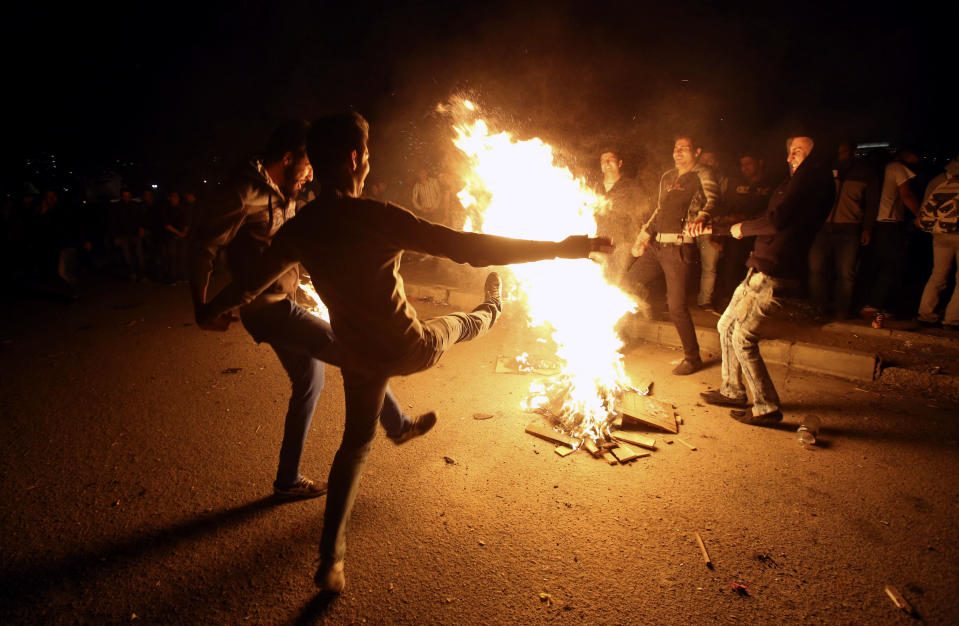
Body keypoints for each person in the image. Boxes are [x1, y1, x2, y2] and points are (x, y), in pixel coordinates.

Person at [199, 111, 612, 593]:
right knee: (461, 324)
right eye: (367, 155)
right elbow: (468, 247)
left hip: (356, 355)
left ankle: (331, 563)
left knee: (354, 447)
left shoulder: (301, 228)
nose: (369, 163)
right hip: (407, 347)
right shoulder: (379, 218)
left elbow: (249, 283)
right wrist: (561, 248)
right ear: (355, 159)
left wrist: (211, 310)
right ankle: (494, 308)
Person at [189, 120, 426, 502]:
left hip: (283, 300)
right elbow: (203, 248)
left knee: (310, 381)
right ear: (288, 158)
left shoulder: (282, 192)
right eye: (308, 165)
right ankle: (397, 425)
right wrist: (202, 307)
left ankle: (287, 479)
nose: (312, 174)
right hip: (266, 307)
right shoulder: (242, 192)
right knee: (351, 347)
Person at [699, 136, 834, 424]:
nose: (790, 157)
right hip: (759, 269)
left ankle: (766, 406)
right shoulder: (796, 183)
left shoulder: (811, 181)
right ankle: (732, 390)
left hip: (774, 273)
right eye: (789, 152)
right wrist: (724, 226)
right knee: (725, 325)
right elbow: (769, 215)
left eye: (798, 151)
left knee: (743, 337)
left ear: (814, 155)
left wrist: (742, 228)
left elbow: (776, 221)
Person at [627, 135, 720, 375]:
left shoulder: (703, 174)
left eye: (684, 148)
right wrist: (644, 235)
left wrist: (701, 217)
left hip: (679, 248)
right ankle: (620, 333)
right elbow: (659, 210)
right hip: (656, 247)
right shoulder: (667, 177)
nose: (678, 152)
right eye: (675, 148)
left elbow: (712, 200)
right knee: (627, 281)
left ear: (696, 151)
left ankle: (692, 357)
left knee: (676, 305)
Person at [807, 140, 880, 319]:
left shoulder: (865, 174)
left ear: (853, 152)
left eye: (844, 152)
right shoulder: (825, 170)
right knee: (817, 269)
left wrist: (867, 228)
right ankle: (818, 308)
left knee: (845, 273)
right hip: (821, 229)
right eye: (838, 151)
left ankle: (842, 311)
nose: (840, 155)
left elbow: (872, 203)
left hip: (849, 229)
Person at [860, 147, 921, 318]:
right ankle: (874, 305)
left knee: (877, 264)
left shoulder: (881, 168)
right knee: (892, 265)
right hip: (889, 223)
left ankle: (868, 303)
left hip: (875, 223)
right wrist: (922, 215)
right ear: (908, 154)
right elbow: (906, 195)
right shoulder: (897, 168)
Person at [715, 151, 772, 306]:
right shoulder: (736, 183)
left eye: (749, 164)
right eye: (742, 165)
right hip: (737, 233)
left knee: (756, 269)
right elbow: (726, 205)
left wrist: (751, 218)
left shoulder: (770, 185)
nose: (745, 168)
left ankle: (753, 303)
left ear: (759, 163)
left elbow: (771, 211)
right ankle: (730, 300)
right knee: (732, 265)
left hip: (759, 234)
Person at [916, 155, 959, 330]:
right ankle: (952, 319)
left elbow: (925, 208)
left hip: (939, 234)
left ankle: (926, 314)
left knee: (938, 275)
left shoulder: (939, 180)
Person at [595, 149, 648, 288]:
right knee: (599, 279)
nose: (606, 163)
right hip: (599, 241)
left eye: (610, 159)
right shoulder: (595, 187)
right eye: (603, 160)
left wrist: (639, 240)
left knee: (618, 282)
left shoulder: (631, 186)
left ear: (619, 163)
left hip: (623, 242)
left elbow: (641, 214)